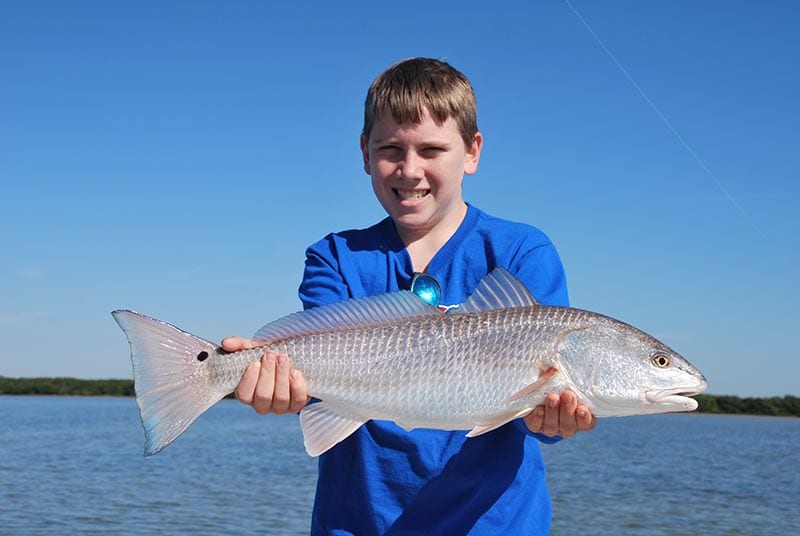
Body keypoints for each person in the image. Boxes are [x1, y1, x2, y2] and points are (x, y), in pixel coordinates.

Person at [223, 57, 596, 535]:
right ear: (364, 152)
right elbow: (314, 367)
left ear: (472, 151)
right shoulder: (335, 256)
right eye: (390, 148)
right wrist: (274, 384)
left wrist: (551, 420)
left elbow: (534, 422)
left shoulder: (522, 251)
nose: (410, 169)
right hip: (356, 523)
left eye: (433, 149)